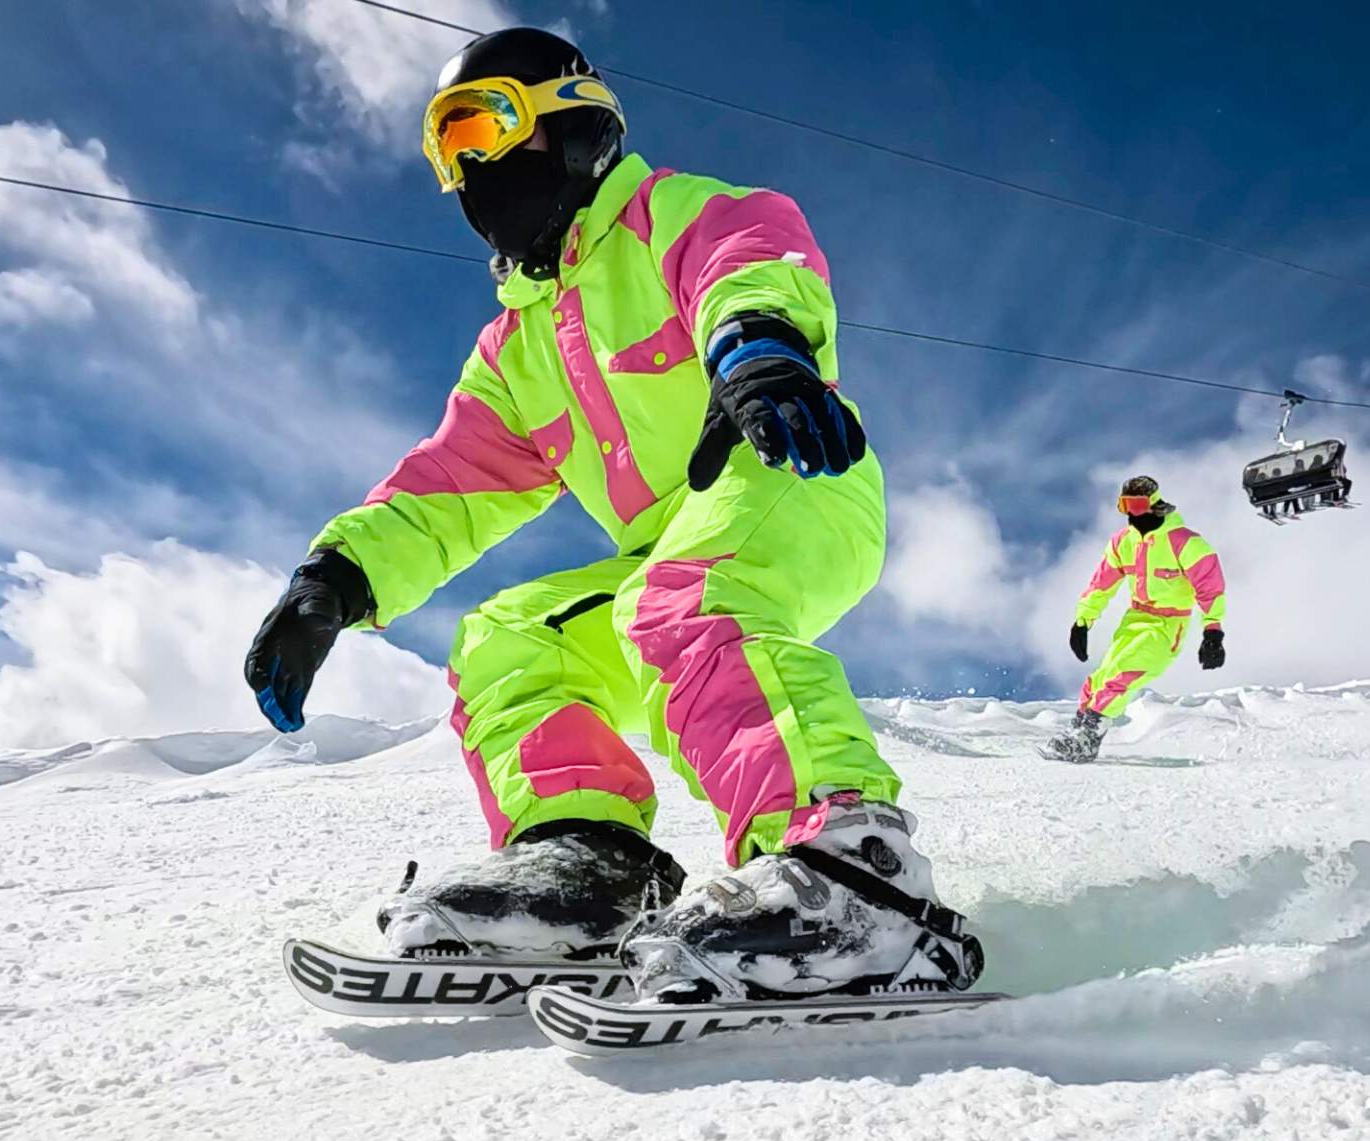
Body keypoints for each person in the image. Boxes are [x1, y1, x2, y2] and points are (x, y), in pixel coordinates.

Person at [244, 27, 982, 1003]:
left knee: (682, 597)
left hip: (791, 474)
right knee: (510, 639)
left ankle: (850, 879)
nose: (469, 164)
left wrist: (756, 348)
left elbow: (752, 262)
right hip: (667, 555)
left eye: (481, 123)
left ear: (569, 118)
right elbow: (447, 482)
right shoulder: (515, 349)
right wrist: (336, 579)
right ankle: (585, 873)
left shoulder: (673, 216)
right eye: (445, 149)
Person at [1044, 476, 1226, 763]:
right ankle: (1077, 729)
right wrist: (1083, 621)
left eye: (1138, 505)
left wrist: (1212, 631)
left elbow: (1210, 588)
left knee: (1122, 673)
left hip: (1168, 625)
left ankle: (1090, 735)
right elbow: (1101, 584)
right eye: (1125, 505)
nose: (1131, 513)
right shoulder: (1123, 543)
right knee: (1102, 675)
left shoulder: (1185, 542)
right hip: (1136, 617)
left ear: (1154, 504)